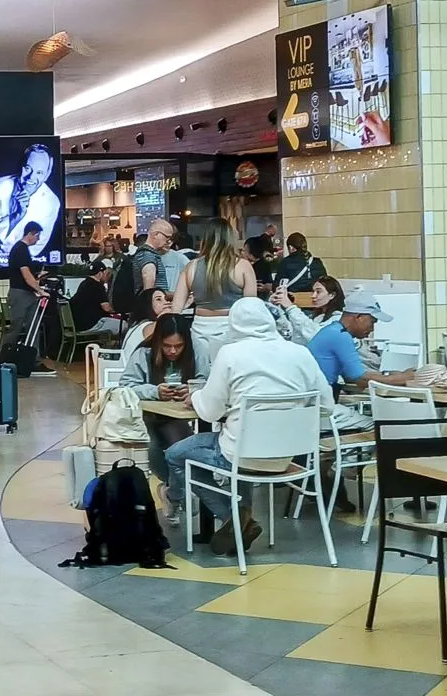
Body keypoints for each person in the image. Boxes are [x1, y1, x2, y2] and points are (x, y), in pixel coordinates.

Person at [163, 297, 335, 555]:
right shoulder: (301, 353)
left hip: (240, 456)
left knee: (176, 455)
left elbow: (210, 412)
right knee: (238, 446)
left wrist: (196, 397)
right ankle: (240, 519)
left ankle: (234, 518)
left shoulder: (231, 354)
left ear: (234, 324)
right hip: (287, 458)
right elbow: (326, 407)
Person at [119, 314, 205, 503]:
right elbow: (125, 386)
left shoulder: (197, 349)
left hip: (177, 416)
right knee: (152, 449)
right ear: (158, 341)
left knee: (183, 447)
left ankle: (174, 493)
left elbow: (207, 381)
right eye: (167, 346)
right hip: (146, 416)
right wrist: (154, 391)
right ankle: (176, 491)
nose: (173, 351)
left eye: (178, 346)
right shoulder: (144, 353)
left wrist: (192, 390)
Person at [171, 221, 256, 369]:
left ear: (205, 239)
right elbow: (251, 309)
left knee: (202, 374)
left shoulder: (191, 267)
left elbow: (176, 309)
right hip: (232, 327)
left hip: (199, 329)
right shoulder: (243, 266)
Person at [306, 290, 419, 392]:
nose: (372, 329)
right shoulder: (340, 336)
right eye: (372, 322)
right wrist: (405, 378)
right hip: (320, 401)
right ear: (359, 317)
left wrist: (390, 374)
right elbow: (361, 380)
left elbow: (351, 375)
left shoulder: (333, 330)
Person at [0, 143, 62, 267]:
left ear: (47, 174)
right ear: (21, 166)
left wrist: (9, 251)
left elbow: (37, 246)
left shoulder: (51, 202)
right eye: (28, 168)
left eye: (39, 172)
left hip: (23, 264)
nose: (31, 177)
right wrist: (17, 216)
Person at [0, 222, 46, 355]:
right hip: (21, 294)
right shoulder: (20, 250)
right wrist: (40, 290)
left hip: (27, 294)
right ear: (31, 233)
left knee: (33, 326)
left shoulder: (22, 249)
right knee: (16, 327)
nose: (38, 239)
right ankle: (4, 357)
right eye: (37, 235)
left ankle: (33, 358)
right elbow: (26, 275)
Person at [69, 264, 123, 337]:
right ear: (100, 273)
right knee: (124, 325)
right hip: (90, 325)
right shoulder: (98, 286)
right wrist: (120, 310)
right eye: (105, 273)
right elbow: (106, 308)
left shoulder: (83, 284)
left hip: (78, 325)